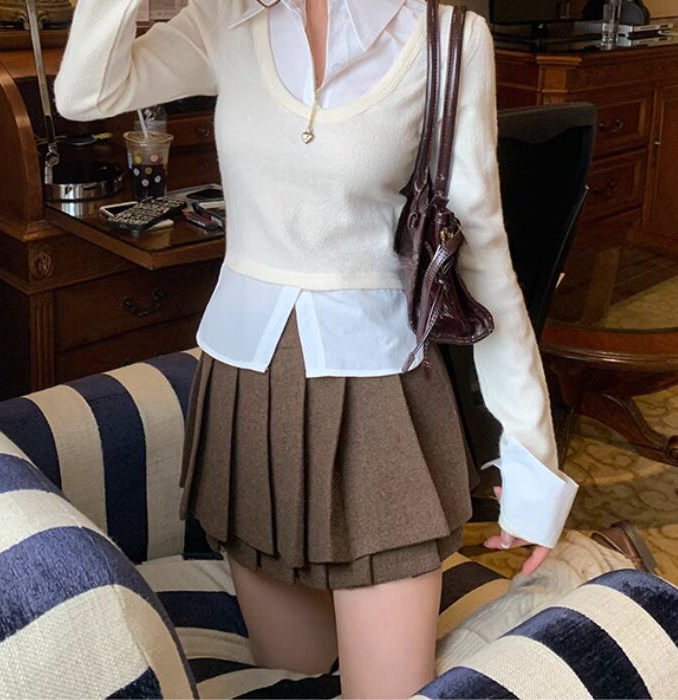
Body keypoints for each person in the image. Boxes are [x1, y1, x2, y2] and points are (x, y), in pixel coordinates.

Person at [53, 1, 580, 697]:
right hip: (249, 393)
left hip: (382, 397)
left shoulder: (449, 40)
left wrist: (532, 456)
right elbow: (85, 95)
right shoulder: (226, 18)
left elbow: (482, 252)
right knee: (290, 679)